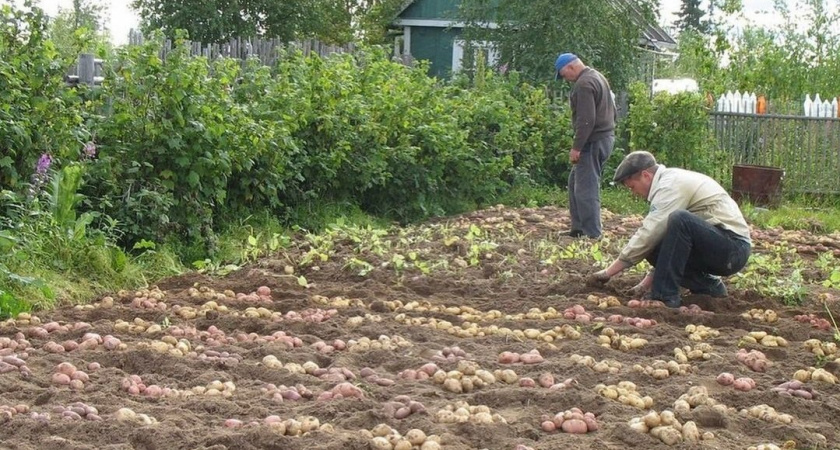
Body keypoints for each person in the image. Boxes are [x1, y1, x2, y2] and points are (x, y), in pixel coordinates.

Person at [586, 151, 752, 308]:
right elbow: (666, 246)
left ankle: (665, 296)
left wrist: (609, 272)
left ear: (645, 175)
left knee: (679, 220)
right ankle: (709, 287)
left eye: (632, 187)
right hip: (717, 246)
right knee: (656, 241)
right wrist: (643, 285)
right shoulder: (668, 182)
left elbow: (650, 232)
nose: (633, 193)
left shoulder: (671, 185)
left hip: (733, 249)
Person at [555, 52, 616, 238]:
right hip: (605, 137)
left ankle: (592, 234)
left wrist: (577, 147)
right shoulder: (598, 77)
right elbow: (613, 109)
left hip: (592, 141)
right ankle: (579, 228)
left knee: (586, 188)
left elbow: (586, 120)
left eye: (564, 75)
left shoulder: (583, 84)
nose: (566, 80)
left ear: (571, 67)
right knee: (575, 182)